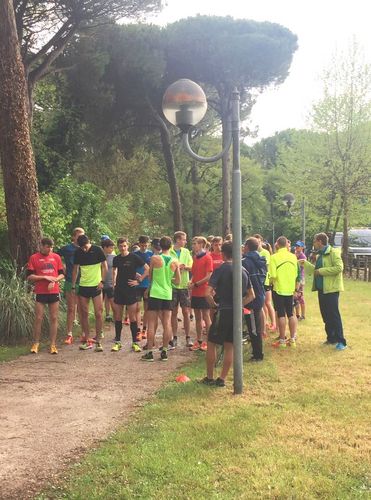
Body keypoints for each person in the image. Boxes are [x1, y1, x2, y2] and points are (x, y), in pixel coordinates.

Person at [203, 241, 251, 386]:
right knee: (230, 345)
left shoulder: (221, 269)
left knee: (211, 343)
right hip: (237, 313)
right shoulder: (243, 270)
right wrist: (238, 305)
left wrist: (214, 305)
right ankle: (222, 378)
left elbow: (207, 293)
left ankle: (210, 377)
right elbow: (251, 295)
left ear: (223, 254)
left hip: (223, 310)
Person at [300, 232, 346, 350]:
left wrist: (322, 271)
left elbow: (339, 268)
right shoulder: (320, 255)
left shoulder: (333, 252)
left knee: (334, 314)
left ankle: (341, 341)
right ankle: (331, 338)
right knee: (325, 314)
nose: (314, 243)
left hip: (331, 289)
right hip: (322, 289)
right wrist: (305, 264)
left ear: (320, 241)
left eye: (315, 241)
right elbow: (316, 270)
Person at [141, 236, 180, 362]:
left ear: (159, 245)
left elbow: (151, 276)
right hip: (167, 294)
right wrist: (169, 279)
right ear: (171, 245)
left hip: (155, 293)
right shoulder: (175, 261)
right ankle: (164, 351)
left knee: (151, 323)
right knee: (167, 323)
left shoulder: (155, 258)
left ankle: (150, 352)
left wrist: (149, 288)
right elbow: (178, 281)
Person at [28, 238, 65, 354]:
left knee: (54, 317)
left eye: (51, 247)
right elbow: (30, 277)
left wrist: (54, 280)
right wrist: (44, 277)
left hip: (54, 291)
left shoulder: (56, 257)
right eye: (47, 247)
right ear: (42, 246)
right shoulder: (34, 257)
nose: (50, 249)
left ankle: (53, 344)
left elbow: (62, 274)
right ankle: (36, 343)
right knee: (38, 318)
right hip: (40, 291)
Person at [111, 238, 149, 353]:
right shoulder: (116, 258)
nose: (122, 248)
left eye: (124, 246)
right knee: (118, 316)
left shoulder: (133, 257)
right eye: (120, 246)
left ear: (127, 246)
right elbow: (114, 271)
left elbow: (147, 268)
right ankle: (117, 342)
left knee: (132, 317)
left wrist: (139, 280)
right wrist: (113, 282)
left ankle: (135, 343)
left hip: (131, 289)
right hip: (119, 290)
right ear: (118, 247)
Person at [71, 234, 107, 352]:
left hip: (96, 286)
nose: (84, 249)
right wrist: (73, 285)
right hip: (83, 286)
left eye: (86, 246)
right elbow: (75, 269)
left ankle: (98, 341)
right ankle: (87, 339)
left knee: (98, 313)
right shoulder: (78, 252)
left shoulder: (97, 250)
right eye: (82, 247)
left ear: (89, 242)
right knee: (84, 313)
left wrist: (102, 281)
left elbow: (105, 267)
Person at [270, 236, 299, 349]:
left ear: (277, 245)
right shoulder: (293, 257)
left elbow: (273, 275)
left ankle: (282, 340)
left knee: (281, 314)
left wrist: (271, 282)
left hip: (279, 288)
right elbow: (296, 274)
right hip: (290, 289)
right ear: (287, 244)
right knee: (291, 314)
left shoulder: (274, 257)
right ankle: (292, 339)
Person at [57, 227, 85, 344]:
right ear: (73, 237)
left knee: (83, 309)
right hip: (69, 280)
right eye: (78, 236)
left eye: (82, 236)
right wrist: (62, 268)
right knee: (70, 308)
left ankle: (84, 333)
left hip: (84, 281)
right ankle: (69, 334)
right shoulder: (67, 248)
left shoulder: (86, 248)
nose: (80, 238)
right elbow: (55, 257)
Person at [242, 237, 267, 361]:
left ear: (247, 247)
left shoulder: (245, 262)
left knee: (253, 328)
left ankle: (258, 355)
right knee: (255, 326)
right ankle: (257, 352)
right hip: (260, 294)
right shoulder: (261, 259)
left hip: (251, 298)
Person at [189, 236, 214, 351]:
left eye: (195, 244)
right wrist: (191, 281)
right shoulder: (195, 258)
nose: (193, 246)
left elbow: (208, 276)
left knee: (206, 316)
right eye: (193, 244)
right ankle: (199, 340)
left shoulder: (207, 257)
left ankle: (209, 341)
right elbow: (194, 273)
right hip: (195, 291)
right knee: (197, 317)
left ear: (201, 245)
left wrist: (197, 284)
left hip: (203, 291)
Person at [170, 231, 193, 348]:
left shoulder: (186, 251)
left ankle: (188, 337)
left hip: (184, 285)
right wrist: (175, 268)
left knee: (186, 312)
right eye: (184, 239)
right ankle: (174, 337)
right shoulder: (169, 251)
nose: (185, 241)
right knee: (173, 312)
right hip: (173, 285)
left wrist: (185, 267)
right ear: (178, 240)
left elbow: (191, 265)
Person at [254, 234, 276, 335]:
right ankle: (265, 322)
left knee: (267, 303)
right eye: (256, 241)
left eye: (259, 241)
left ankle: (273, 323)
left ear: (261, 242)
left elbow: (265, 267)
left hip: (265, 281)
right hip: (259, 281)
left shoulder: (265, 252)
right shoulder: (254, 252)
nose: (257, 243)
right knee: (262, 304)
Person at [134, 235, 153, 340]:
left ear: (148, 244)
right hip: (137, 284)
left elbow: (152, 270)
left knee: (147, 309)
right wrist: (135, 274)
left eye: (146, 245)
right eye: (142, 245)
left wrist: (145, 279)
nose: (144, 247)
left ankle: (144, 329)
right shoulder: (134, 254)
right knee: (137, 308)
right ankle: (137, 330)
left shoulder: (151, 254)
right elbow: (131, 267)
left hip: (147, 284)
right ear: (139, 244)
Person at [101, 239, 116, 322]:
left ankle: (116, 318)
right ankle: (106, 315)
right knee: (100, 304)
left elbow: (116, 270)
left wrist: (115, 281)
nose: (112, 249)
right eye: (110, 248)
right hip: (100, 283)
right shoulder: (98, 257)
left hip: (110, 283)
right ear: (105, 247)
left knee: (113, 302)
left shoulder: (114, 257)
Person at [294, 241, 306, 320]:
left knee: (300, 297)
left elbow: (302, 263)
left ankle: (303, 315)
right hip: (295, 278)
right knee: (295, 298)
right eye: (296, 246)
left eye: (299, 246)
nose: (297, 247)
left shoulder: (302, 256)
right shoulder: (295, 254)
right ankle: (297, 315)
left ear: (302, 247)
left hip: (300, 279)